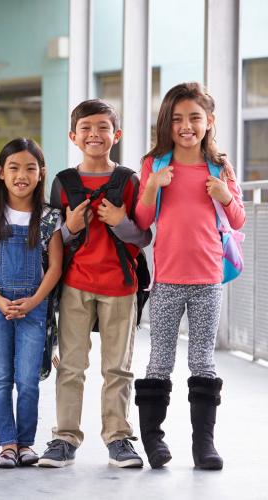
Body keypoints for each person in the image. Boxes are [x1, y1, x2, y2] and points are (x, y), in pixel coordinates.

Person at [134, 82, 245, 471]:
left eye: (194, 118)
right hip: (166, 280)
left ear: (209, 121)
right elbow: (142, 222)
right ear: (166, 123)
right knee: (160, 360)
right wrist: (150, 187)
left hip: (208, 279)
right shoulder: (155, 165)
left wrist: (224, 195)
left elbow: (238, 219)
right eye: (177, 118)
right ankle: (153, 440)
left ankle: (204, 445)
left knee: (203, 361)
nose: (186, 126)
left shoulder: (220, 167)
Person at [41, 99, 152, 469]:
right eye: (86, 128)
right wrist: (70, 228)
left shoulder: (129, 182)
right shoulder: (63, 182)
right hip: (75, 285)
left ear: (116, 135)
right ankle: (64, 438)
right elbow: (51, 239)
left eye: (103, 127)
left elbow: (143, 237)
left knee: (117, 369)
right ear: (73, 136)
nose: (95, 134)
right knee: (71, 366)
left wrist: (120, 220)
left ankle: (119, 439)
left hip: (120, 286)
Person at [0, 138, 62, 468]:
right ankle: (6, 444)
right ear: (1, 173)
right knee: (0, 378)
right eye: (14, 168)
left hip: (35, 306)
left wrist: (35, 300)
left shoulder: (50, 217)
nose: (21, 175)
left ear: (41, 175)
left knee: (27, 379)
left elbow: (55, 267)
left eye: (30, 168)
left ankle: (26, 442)